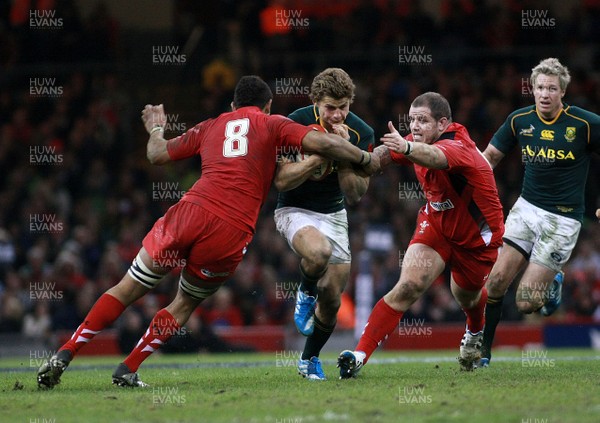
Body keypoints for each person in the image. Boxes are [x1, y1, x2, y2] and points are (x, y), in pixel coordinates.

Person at [36, 75, 380, 389]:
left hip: (189, 212)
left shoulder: (211, 125)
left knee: (127, 287)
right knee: (184, 302)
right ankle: (128, 367)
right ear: (269, 105)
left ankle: (65, 352)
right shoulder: (274, 123)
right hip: (229, 230)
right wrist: (366, 161)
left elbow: (157, 154)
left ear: (232, 106)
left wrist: (156, 128)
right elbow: (329, 146)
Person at [337, 91, 505, 377]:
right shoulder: (415, 142)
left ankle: (475, 330)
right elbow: (380, 158)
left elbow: (435, 157)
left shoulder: (458, 146)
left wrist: (405, 148)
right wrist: (355, 158)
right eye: (412, 119)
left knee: (466, 296)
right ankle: (359, 355)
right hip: (437, 225)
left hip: (476, 240)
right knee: (409, 285)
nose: (414, 126)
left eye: (422, 121)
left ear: (442, 124)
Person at [479, 58, 600, 367]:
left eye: (552, 88)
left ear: (563, 92)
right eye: (540, 88)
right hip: (526, 209)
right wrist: (467, 185)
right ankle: (483, 353)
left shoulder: (585, 124)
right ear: (531, 90)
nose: (545, 94)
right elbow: (489, 157)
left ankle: (552, 284)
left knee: (525, 302)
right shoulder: (520, 120)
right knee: (494, 283)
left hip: (562, 219)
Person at [273, 68, 374, 380]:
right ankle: (304, 293)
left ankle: (309, 359)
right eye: (330, 107)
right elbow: (281, 181)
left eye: (343, 107)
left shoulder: (361, 133)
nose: (337, 115)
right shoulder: (293, 123)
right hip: (295, 208)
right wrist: (321, 153)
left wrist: (344, 155)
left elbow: (356, 193)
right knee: (319, 253)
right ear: (315, 101)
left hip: (334, 214)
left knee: (331, 297)